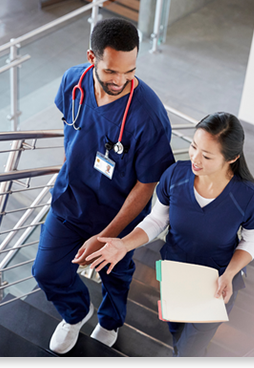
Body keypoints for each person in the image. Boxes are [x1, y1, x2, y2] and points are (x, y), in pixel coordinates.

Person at [32, 18, 175, 354]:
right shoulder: (74, 81)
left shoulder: (148, 116)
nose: (121, 81)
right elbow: (71, 126)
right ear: (91, 57)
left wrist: (108, 235)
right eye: (112, 71)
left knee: (116, 275)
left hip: (118, 217)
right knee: (46, 271)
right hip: (70, 202)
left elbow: (146, 184)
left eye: (130, 71)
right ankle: (77, 312)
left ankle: (110, 321)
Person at [86, 112, 254, 357]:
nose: (195, 158)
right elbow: (157, 219)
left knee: (190, 348)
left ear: (232, 158)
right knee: (176, 331)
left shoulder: (248, 198)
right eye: (194, 147)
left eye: (207, 155)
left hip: (216, 283)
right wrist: (124, 244)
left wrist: (230, 273)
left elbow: (251, 240)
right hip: (175, 274)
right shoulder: (175, 176)